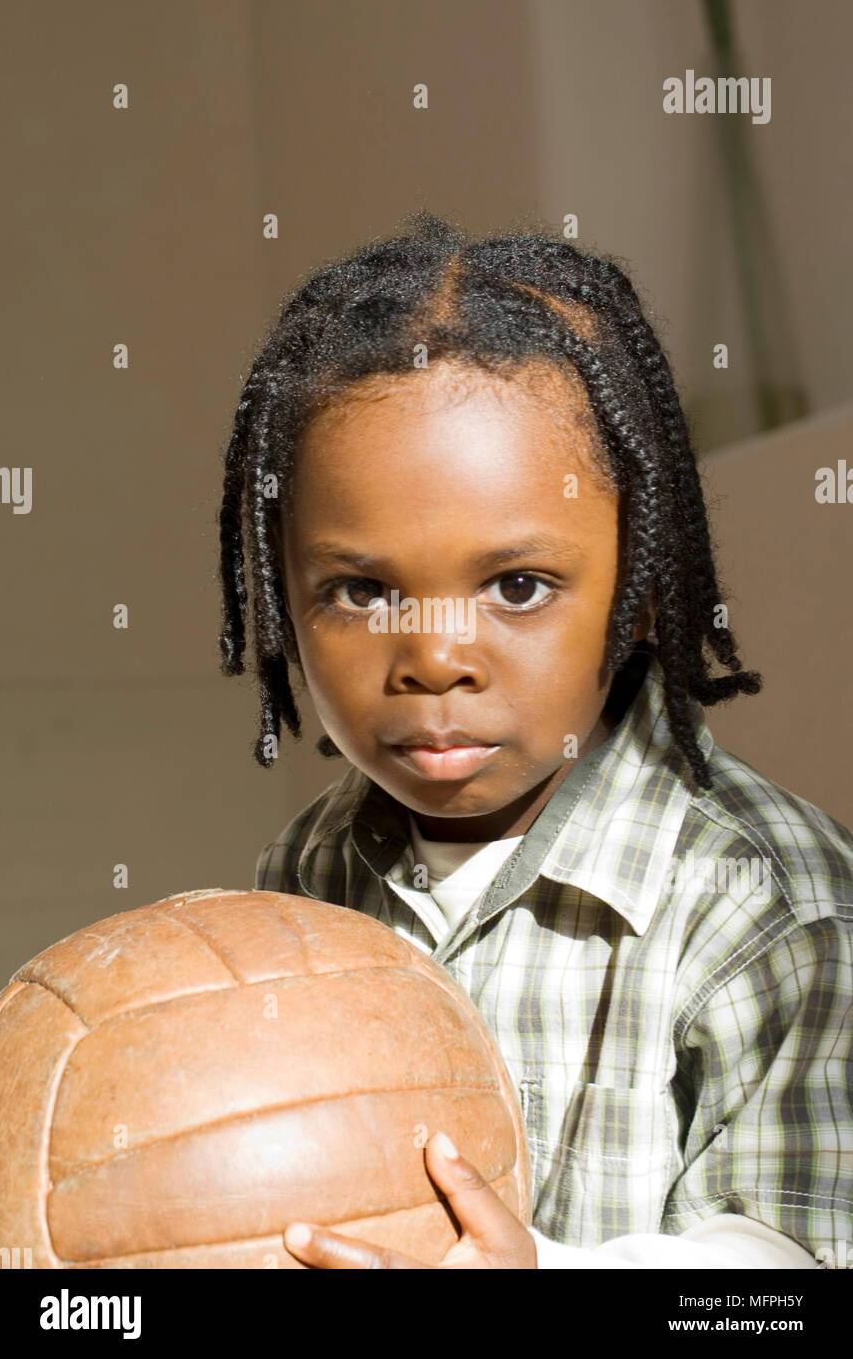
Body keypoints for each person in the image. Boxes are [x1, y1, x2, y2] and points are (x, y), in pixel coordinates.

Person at [217, 211, 852, 1269]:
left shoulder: (773, 907)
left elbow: (792, 1271)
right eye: (361, 590)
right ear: (282, 603)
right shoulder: (305, 877)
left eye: (516, 586)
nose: (431, 658)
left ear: (640, 589)